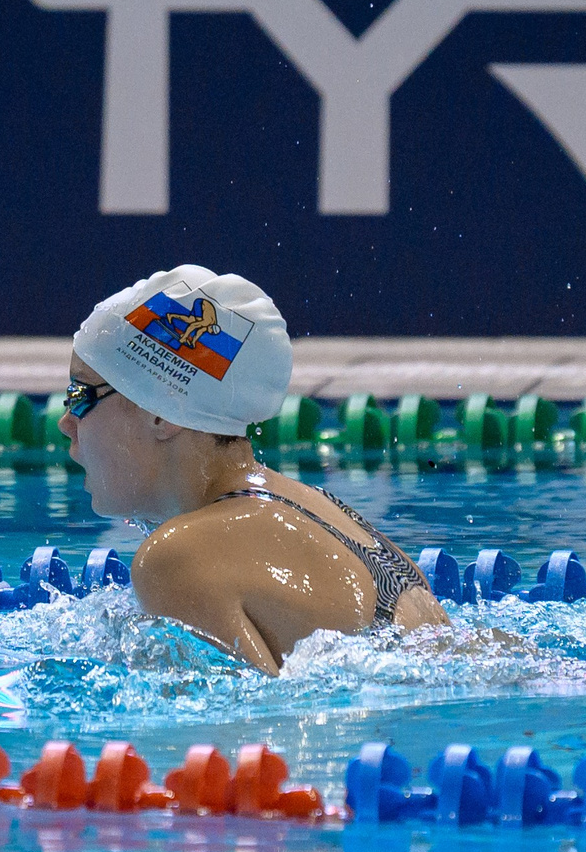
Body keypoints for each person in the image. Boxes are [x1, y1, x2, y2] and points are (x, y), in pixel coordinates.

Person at [57, 264, 450, 673]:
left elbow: (240, 713)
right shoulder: (322, 508)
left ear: (160, 413)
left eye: (80, 395)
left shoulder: (178, 556)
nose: (66, 422)